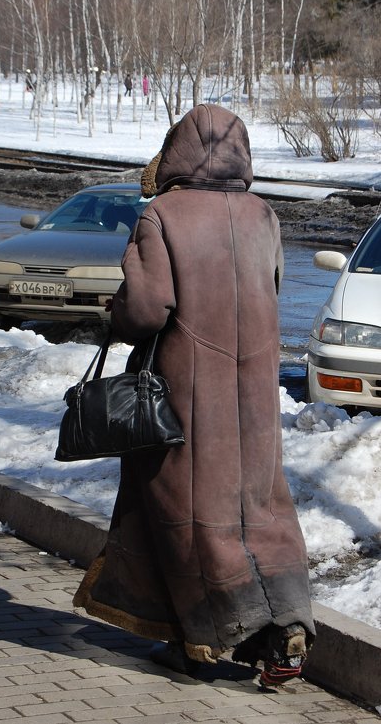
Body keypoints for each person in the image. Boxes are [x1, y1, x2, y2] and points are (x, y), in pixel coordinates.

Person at [73, 103, 315, 685]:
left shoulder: (163, 215)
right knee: (259, 509)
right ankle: (285, 629)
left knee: (190, 516)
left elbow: (146, 309)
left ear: (177, 151)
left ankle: (203, 640)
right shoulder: (264, 216)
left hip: (186, 393)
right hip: (255, 397)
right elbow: (271, 290)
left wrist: (119, 309)